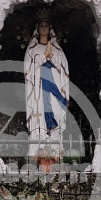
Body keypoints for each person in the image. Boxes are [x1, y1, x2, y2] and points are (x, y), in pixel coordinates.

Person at [24, 11, 69, 166]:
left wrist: (51, 56)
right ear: (37, 29)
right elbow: (28, 73)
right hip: (38, 90)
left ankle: (55, 152)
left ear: (50, 29)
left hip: (54, 89)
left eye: (46, 26)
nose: (44, 28)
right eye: (41, 26)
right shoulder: (32, 50)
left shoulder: (57, 50)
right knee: (40, 119)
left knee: (56, 114)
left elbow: (64, 71)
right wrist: (44, 57)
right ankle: (40, 151)